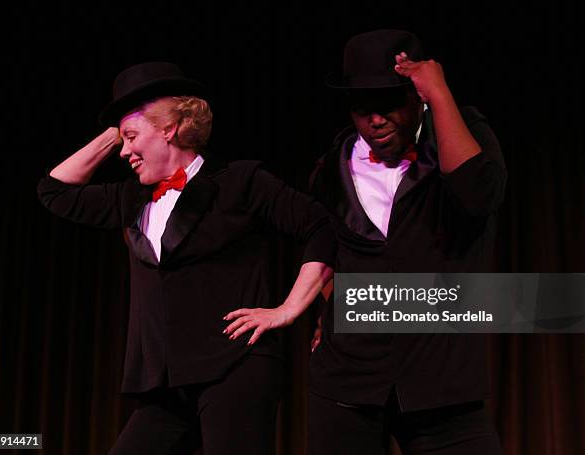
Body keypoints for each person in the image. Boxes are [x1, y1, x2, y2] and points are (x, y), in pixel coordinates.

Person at [37, 61, 334, 455]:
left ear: (169, 129)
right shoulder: (130, 198)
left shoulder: (238, 182)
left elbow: (322, 227)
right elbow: (53, 191)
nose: (124, 152)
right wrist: (117, 129)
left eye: (131, 138)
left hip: (235, 367)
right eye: (122, 141)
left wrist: (288, 309)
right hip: (164, 383)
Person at [307, 30, 506, 454]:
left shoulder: (459, 134)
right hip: (349, 384)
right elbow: (326, 244)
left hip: (442, 381)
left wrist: (440, 94)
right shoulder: (335, 164)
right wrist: (336, 307)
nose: (376, 120)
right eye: (363, 109)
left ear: (418, 96)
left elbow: (476, 197)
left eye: (388, 104)